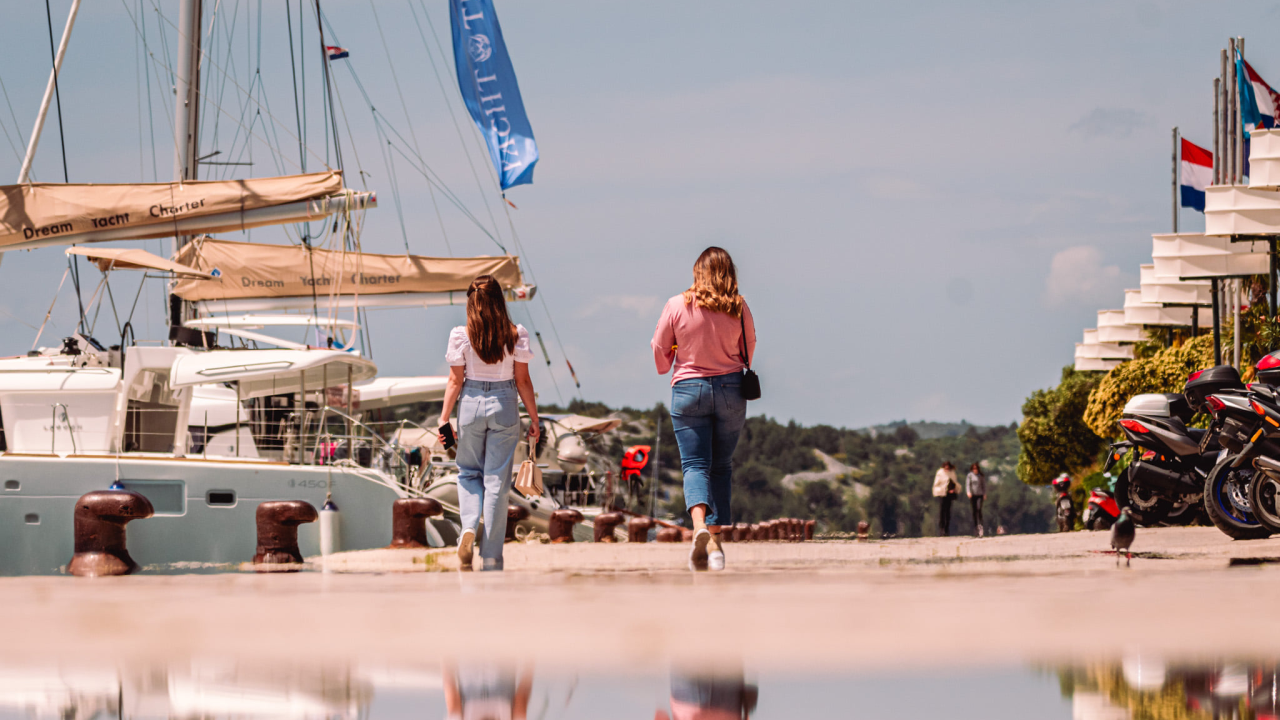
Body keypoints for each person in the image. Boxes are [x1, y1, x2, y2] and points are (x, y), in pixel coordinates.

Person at [652, 247, 756, 572]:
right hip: (730, 388)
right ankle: (716, 546)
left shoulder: (676, 305)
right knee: (721, 466)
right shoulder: (738, 307)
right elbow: (749, 349)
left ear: (697, 273)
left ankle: (697, 525)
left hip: (688, 389)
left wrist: (673, 355)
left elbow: (658, 352)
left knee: (694, 464)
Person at [439, 275, 539, 571]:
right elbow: (522, 379)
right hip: (505, 403)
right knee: (497, 481)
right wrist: (534, 418)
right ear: (499, 300)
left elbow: (455, 380)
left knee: (468, 472)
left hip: (470, 403)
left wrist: (444, 419)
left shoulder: (460, 335)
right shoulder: (516, 333)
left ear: (472, 303)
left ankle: (468, 525)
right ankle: (492, 555)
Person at [442, 662, 533, 720]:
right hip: (472, 682)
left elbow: (521, 699)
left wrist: (531, 663)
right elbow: (453, 700)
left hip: (501, 683)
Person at [931, 460, 958, 536]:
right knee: (942, 511)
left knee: (948, 512)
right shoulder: (940, 473)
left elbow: (955, 482)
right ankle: (941, 529)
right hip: (942, 493)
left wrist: (953, 489)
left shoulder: (952, 473)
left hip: (950, 494)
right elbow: (936, 483)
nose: (946, 469)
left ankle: (946, 529)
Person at [966, 462, 986, 537]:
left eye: (976, 468)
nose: (975, 470)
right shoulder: (970, 475)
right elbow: (968, 484)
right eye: (974, 468)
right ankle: (975, 527)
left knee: (979, 509)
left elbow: (984, 485)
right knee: (974, 511)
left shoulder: (981, 476)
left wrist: (984, 493)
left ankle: (981, 525)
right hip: (973, 495)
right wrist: (968, 492)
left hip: (980, 494)